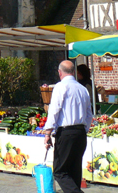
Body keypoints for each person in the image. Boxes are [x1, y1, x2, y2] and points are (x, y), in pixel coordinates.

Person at [44, 60, 92, 193]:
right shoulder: (82, 89)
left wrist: (47, 133)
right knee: (74, 170)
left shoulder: (60, 87)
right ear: (73, 72)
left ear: (60, 72)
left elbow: (54, 111)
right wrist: (84, 129)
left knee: (60, 171)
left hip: (66, 132)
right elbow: (89, 114)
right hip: (80, 133)